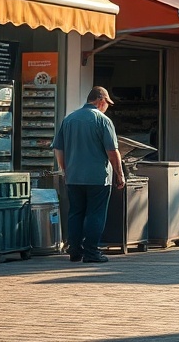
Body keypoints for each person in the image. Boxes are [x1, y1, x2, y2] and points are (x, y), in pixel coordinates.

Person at [52, 86, 125, 263]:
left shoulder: (69, 119)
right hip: (98, 177)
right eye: (107, 103)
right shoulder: (103, 120)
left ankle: (75, 251)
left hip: (74, 177)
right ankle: (91, 252)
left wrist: (65, 169)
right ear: (101, 101)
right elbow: (112, 151)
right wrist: (120, 174)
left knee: (75, 213)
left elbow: (58, 149)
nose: (107, 107)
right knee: (95, 214)